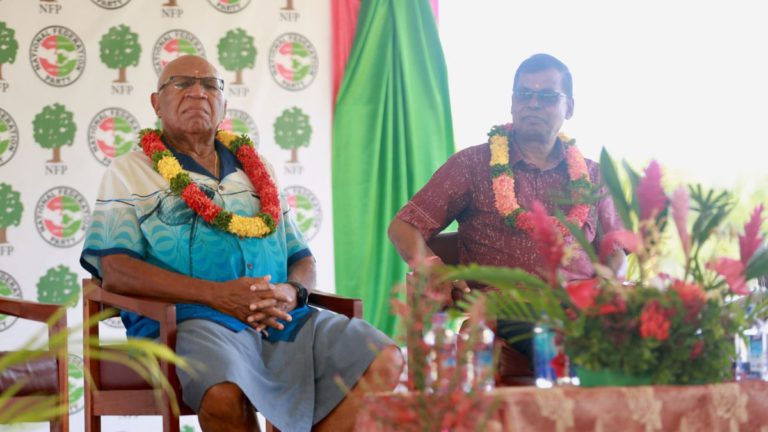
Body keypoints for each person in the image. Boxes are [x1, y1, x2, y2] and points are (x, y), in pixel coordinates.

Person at [80, 55, 402, 432]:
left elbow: (302, 258)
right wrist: (216, 296)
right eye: (182, 83)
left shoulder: (256, 167)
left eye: (211, 85)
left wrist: (291, 291)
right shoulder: (130, 171)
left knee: (383, 357)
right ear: (156, 103)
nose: (198, 91)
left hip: (282, 319)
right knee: (222, 394)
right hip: (191, 322)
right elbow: (116, 271)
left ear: (224, 105)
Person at [388, 53, 625, 385]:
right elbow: (404, 225)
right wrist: (434, 267)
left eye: (546, 97)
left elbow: (617, 250)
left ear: (568, 107)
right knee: (557, 333)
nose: (532, 104)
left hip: (583, 305)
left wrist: (610, 286)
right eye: (523, 94)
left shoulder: (592, 175)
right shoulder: (473, 165)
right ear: (512, 102)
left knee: (660, 330)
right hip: (510, 310)